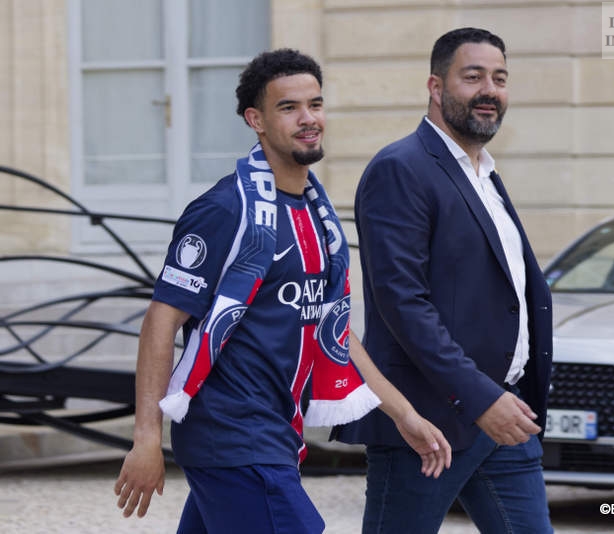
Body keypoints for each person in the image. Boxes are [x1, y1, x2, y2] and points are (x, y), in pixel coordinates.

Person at [113, 48, 451, 534]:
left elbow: (330, 331)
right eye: (288, 108)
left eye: (315, 104)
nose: (308, 119)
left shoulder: (318, 216)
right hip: (234, 436)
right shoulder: (225, 210)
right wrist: (146, 437)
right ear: (257, 120)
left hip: (274, 432)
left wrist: (404, 415)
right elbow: (162, 320)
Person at [333, 27, 554, 533]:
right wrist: (481, 398)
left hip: (506, 413)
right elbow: (403, 304)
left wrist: (503, 396)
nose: (489, 90)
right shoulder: (401, 168)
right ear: (436, 87)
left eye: (499, 78)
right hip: (428, 420)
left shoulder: (486, 175)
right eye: (472, 76)